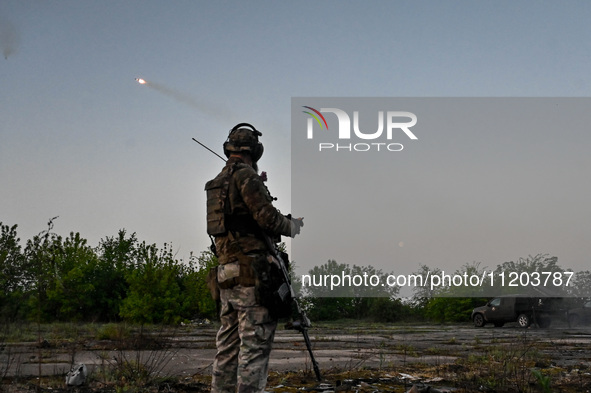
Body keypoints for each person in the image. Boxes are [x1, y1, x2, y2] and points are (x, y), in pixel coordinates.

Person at [205, 123, 303, 393]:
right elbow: (267, 219)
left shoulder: (216, 184)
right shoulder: (246, 177)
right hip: (252, 277)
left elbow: (236, 220)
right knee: (253, 349)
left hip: (226, 274)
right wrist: (292, 225)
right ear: (255, 151)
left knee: (227, 348)